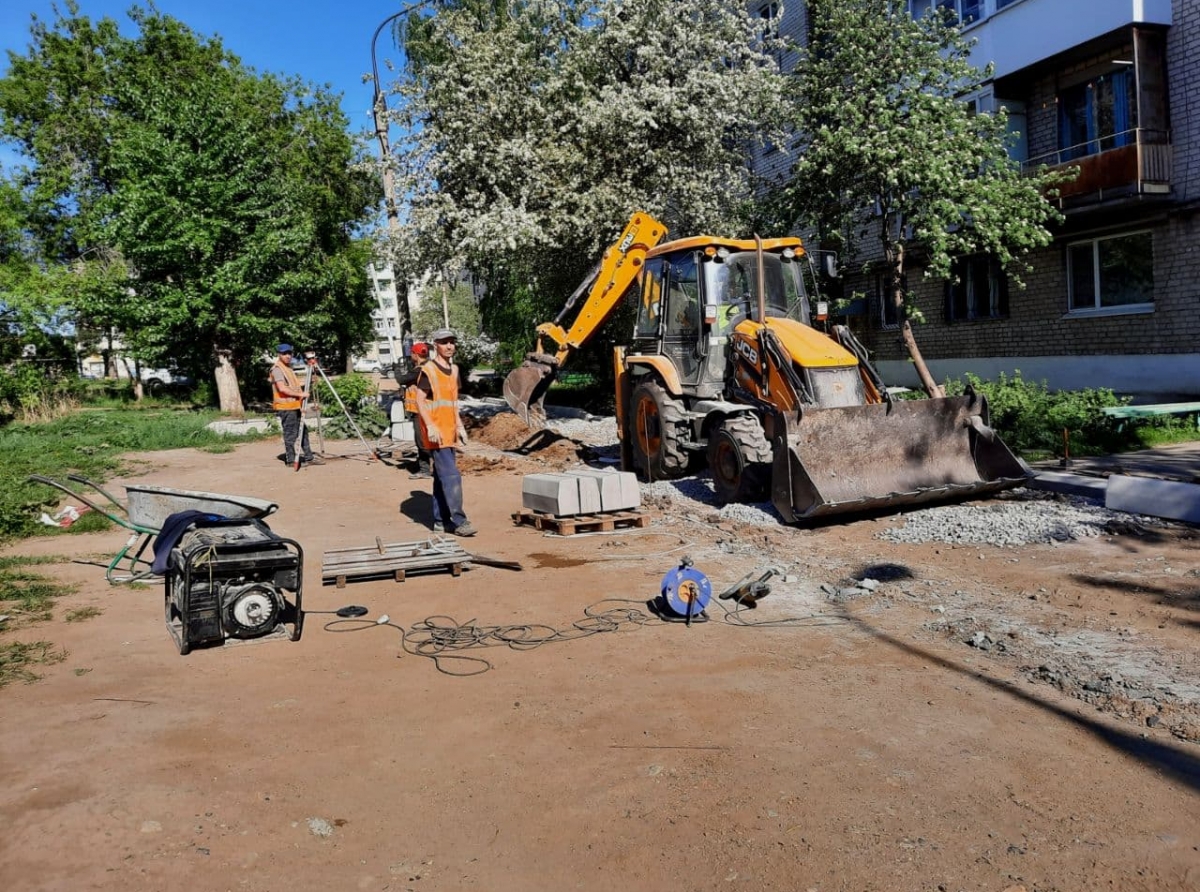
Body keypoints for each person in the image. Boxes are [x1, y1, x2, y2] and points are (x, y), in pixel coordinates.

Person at [412, 328, 475, 536]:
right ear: (435, 345)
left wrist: (459, 425)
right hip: (436, 432)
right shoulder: (429, 370)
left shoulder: (454, 370)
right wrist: (429, 425)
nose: (449, 346)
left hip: (449, 431)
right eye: (444, 342)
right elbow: (419, 400)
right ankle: (459, 520)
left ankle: (441, 521)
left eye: (452, 342)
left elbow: (453, 402)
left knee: (442, 477)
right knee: (452, 477)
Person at [268, 344, 323, 468]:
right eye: (284, 353)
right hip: (286, 407)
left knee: (303, 432)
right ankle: (291, 460)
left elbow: (293, 386)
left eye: (289, 353)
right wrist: (300, 394)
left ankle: (309, 457)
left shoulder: (288, 368)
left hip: (295, 406)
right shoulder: (277, 369)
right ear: (279, 354)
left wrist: (307, 383)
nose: (288, 356)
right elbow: (282, 388)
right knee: (290, 434)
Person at [395, 341, 432, 479]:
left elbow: (401, 379)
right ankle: (425, 467)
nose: (411, 356)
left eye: (412, 353)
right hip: (421, 410)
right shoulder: (425, 367)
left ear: (416, 355)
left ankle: (430, 468)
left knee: (422, 442)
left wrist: (397, 369)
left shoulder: (420, 370)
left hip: (422, 410)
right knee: (422, 441)